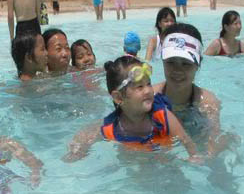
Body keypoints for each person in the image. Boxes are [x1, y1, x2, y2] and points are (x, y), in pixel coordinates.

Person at [63, 56, 200, 162]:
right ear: (118, 97)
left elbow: (186, 140)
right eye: (139, 87)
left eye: (148, 83)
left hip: (166, 162)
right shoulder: (112, 128)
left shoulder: (162, 115)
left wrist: (194, 157)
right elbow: (87, 135)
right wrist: (76, 151)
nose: (148, 90)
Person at [154, 23, 230, 157]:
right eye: (171, 62)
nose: (177, 70)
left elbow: (213, 144)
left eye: (186, 64)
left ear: (198, 64)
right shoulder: (150, 97)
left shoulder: (207, 103)